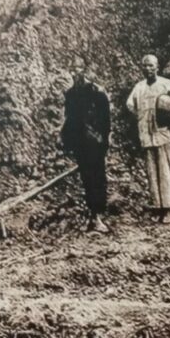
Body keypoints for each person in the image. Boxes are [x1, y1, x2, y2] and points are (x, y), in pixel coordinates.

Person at [125, 55, 170, 224]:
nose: (148, 69)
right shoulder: (139, 87)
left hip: (162, 134)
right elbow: (130, 105)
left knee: (164, 170)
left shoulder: (165, 84)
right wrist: (142, 117)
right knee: (152, 172)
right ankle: (157, 208)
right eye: (145, 66)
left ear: (157, 67)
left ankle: (169, 209)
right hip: (146, 134)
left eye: (151, 66)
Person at [61, 68, 112, 233]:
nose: (78, 74)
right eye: (74, 70)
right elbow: (69, 119)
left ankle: (97, 216)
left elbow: (106, 121)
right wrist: (67, 141)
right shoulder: (71, 94)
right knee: (86, 178)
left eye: (80, 71)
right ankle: (91, 215)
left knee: (97, 177)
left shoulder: (98, 94)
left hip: (95, 143)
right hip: (79, 142)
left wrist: (102, 140)